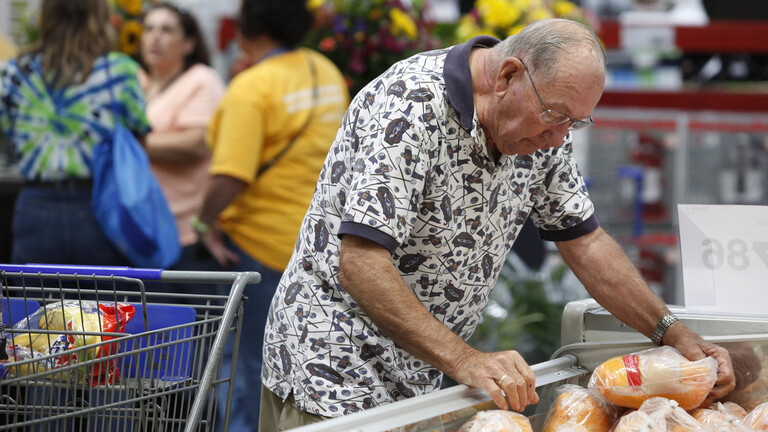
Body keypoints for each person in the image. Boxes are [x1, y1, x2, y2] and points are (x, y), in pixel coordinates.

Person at [259, 18, 736, 430]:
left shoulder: (546, 124)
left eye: (576, 123)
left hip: (418, 373)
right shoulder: (411, 105)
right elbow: (360, 263)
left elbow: (584, 241)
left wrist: (674, 335)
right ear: (508, 75)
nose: (558, 137)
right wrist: (466, 358)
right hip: (332, 364)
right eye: (554, 116)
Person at [192, 0, 350, 429]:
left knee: (242, 367)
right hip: (318, 246)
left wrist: (203, 224)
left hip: (257, 247)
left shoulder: (251, 87)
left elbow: (229, 177)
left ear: (246, 28)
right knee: (295, 367)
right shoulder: (325, 71)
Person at [0, 0, 150, 267]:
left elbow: (7, 133)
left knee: (33, 305)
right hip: (100, 205)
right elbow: (139, 139)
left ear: (45, 16)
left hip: (35, 204)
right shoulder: (118, 71)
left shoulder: (14, 72)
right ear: (101, 15)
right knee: (104, 306)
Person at [138, 2, 225, 270]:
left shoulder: (201, 79)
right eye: (149, 28)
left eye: (166, 30)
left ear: (188, 44)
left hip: (186, 231)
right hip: (141, 229)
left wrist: (128, 145)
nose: (155, 36)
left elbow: (197, 143)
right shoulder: (137, 80)